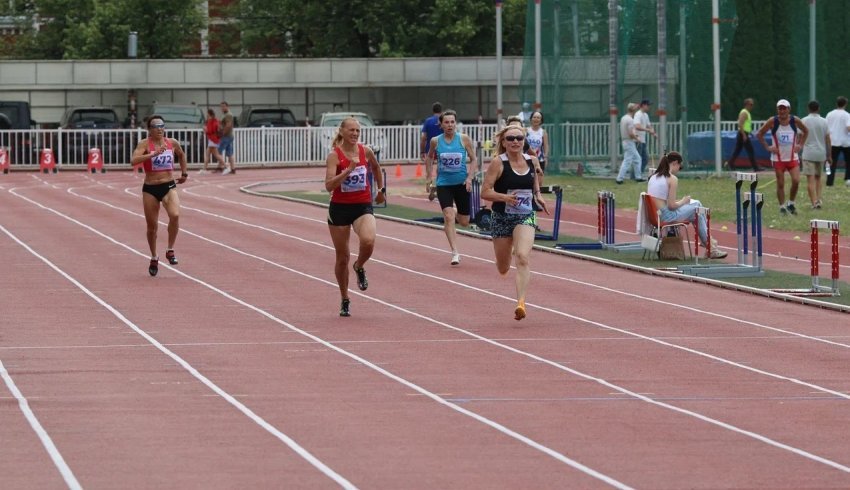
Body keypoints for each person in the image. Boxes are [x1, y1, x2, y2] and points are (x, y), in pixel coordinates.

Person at [481, 124, 548, 321]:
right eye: (510, 139)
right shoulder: (498, 163)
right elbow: (485, 192)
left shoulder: (532, 160)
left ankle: (521, 303)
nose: (515, 142)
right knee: (503, 267)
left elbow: (534, 184)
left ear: (524, 141)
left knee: (523, 257)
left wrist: (538, 195)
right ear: (504, 142)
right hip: (502, 217)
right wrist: (505, 198)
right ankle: (508, 250)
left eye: (519, 138)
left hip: (525, 215)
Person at [325, 116, 385, 317]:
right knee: (342, 258)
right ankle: (344, 298)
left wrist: (381, 189)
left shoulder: (365, 151)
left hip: (362, 205)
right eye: (351, 130)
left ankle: (359, 266)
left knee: (368, 241)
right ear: (342, 132)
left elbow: (376, 167)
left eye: (357, 131)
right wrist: (348, 170)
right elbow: (328, 186)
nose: (355, 134)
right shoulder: (334, 156)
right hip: (340, 209)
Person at [130, 115, 188, 276]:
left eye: (162, 126)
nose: (160, 129)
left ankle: (170, 249)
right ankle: (154, 257)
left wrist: (184, 173)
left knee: (175, 215)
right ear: (150, 129)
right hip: (150, 188)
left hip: (168, 185)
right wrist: (152, 154)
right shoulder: (144, 144)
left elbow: (181, 155)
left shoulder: (172, 142)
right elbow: (133, 160)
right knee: (152, 227)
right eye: (156, 126)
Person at [647, 151, 727, 259]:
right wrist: (683, 201)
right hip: (666, 216)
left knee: (696, 206)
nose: (678, 170)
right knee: (697, 208)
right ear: (675, 163)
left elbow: (663, 201)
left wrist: (680, 202)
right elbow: (671, 206)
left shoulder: (654, 176)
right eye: (679, 167)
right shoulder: (672, 179)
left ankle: (709, 243)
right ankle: (710, 246)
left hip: (656, 214)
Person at [424, 109, 478, 265]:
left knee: (464, 222)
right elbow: (429, 158)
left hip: (461, 183)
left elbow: (474, 160)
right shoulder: (436, 141)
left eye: (452, 122)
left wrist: (469, 178)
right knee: (448, 217)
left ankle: (454, 211)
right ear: (441, 124)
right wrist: (429, 177)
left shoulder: (464, 139)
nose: (449, 125)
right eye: (446, 122)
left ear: (456, 123)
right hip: (444, 184)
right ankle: (455, 252)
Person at [757, 99, 808, 215]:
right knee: (780, 183)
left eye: (784, 108)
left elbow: (806, 131)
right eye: (780, 108)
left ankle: (791, 203)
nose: (782, 111)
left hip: (792, 157)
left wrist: (800, 145)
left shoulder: (795, 121)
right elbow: (760, 134)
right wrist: (768, 147)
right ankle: (782, 206)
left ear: (789, 109)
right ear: (777, 110)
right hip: (778, 158)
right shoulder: (772, 121)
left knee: (796, 180)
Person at [800, 100, 832, 209]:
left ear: (808, 109)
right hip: (821, 153)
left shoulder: (803, 120)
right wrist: (829, 155)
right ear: (818, 108)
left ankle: (813, 202)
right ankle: (818, 200)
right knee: (819, 178)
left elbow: (799, 138)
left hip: (808, 153)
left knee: (810, 179)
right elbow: (828, 139)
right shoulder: (824, 121)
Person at [725, 98, 759, 172]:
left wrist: (749, 132)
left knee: (737, 150)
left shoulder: (747, 113)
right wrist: (744, 135)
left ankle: (730, 164)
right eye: (751, 104)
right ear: (746, 104)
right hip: (742, 133)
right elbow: (740, 124)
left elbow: (746, 125)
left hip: (744, 133)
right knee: (750, 150)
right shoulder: (744, 112)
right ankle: (755, 168)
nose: (752, 106)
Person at [420, 102, 444, 201]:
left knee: (429, 172)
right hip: (442, 148)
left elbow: (423, 138)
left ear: (433, 110)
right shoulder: (444, 121)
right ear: (441, 110)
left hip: (430, 149)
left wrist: (422, 151)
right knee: (440, 170)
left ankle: (429, 187)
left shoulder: (428, 121)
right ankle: (439, 188)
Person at [825, 96, 850, 187]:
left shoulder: (829, 114)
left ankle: (829, 182)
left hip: (832, 141)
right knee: (848, 162)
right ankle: (848, 178)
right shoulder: (847, 115)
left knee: (831, 163)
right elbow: (848, 127)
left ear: (837, 103)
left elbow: (826, 127)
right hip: (845, 142)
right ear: (845, 104)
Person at [615, 103, 641, 184]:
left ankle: (638, 177)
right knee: (628, 160)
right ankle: (619, 178)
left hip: (625, 141)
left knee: (637, 159)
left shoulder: (624, 118)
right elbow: (630, 133)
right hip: (629, 141)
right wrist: (637, 138)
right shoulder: (630, 120)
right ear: (633, 110)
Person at [634, 99, 656, 178]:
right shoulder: (638, 114)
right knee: (638, 159)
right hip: (637, 140)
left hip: (643, 140)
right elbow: (637, 126)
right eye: (648, 105)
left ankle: (639, 174)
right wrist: (648, 130)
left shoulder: (645, 115)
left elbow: (649, 125)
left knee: (645, 158)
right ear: (643, 105)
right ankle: (636, 175)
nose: (649, 107)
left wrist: (653, 132)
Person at [200, 107, 225, 173]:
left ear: (210, 115)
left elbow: (211, 131)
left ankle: (226, 166)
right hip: (213, 140)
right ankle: (204, 169)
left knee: (215, 155)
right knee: (209, 154)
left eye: (208, 115)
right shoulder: (214, 121)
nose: (207, 117)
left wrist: (205, 130)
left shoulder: (213, 122)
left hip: (213, 140)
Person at [218, 101, 236, 175]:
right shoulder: (225, 115)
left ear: (227, 107)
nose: (222, 108)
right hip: (228, 136)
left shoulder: (228, 115)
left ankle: (223, 166)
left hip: (226, 136)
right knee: (229, 153)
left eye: (224, 106)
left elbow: (228, 125)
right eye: (221, 106)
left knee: (218, 151)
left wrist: (222, 133)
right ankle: (233, 168)